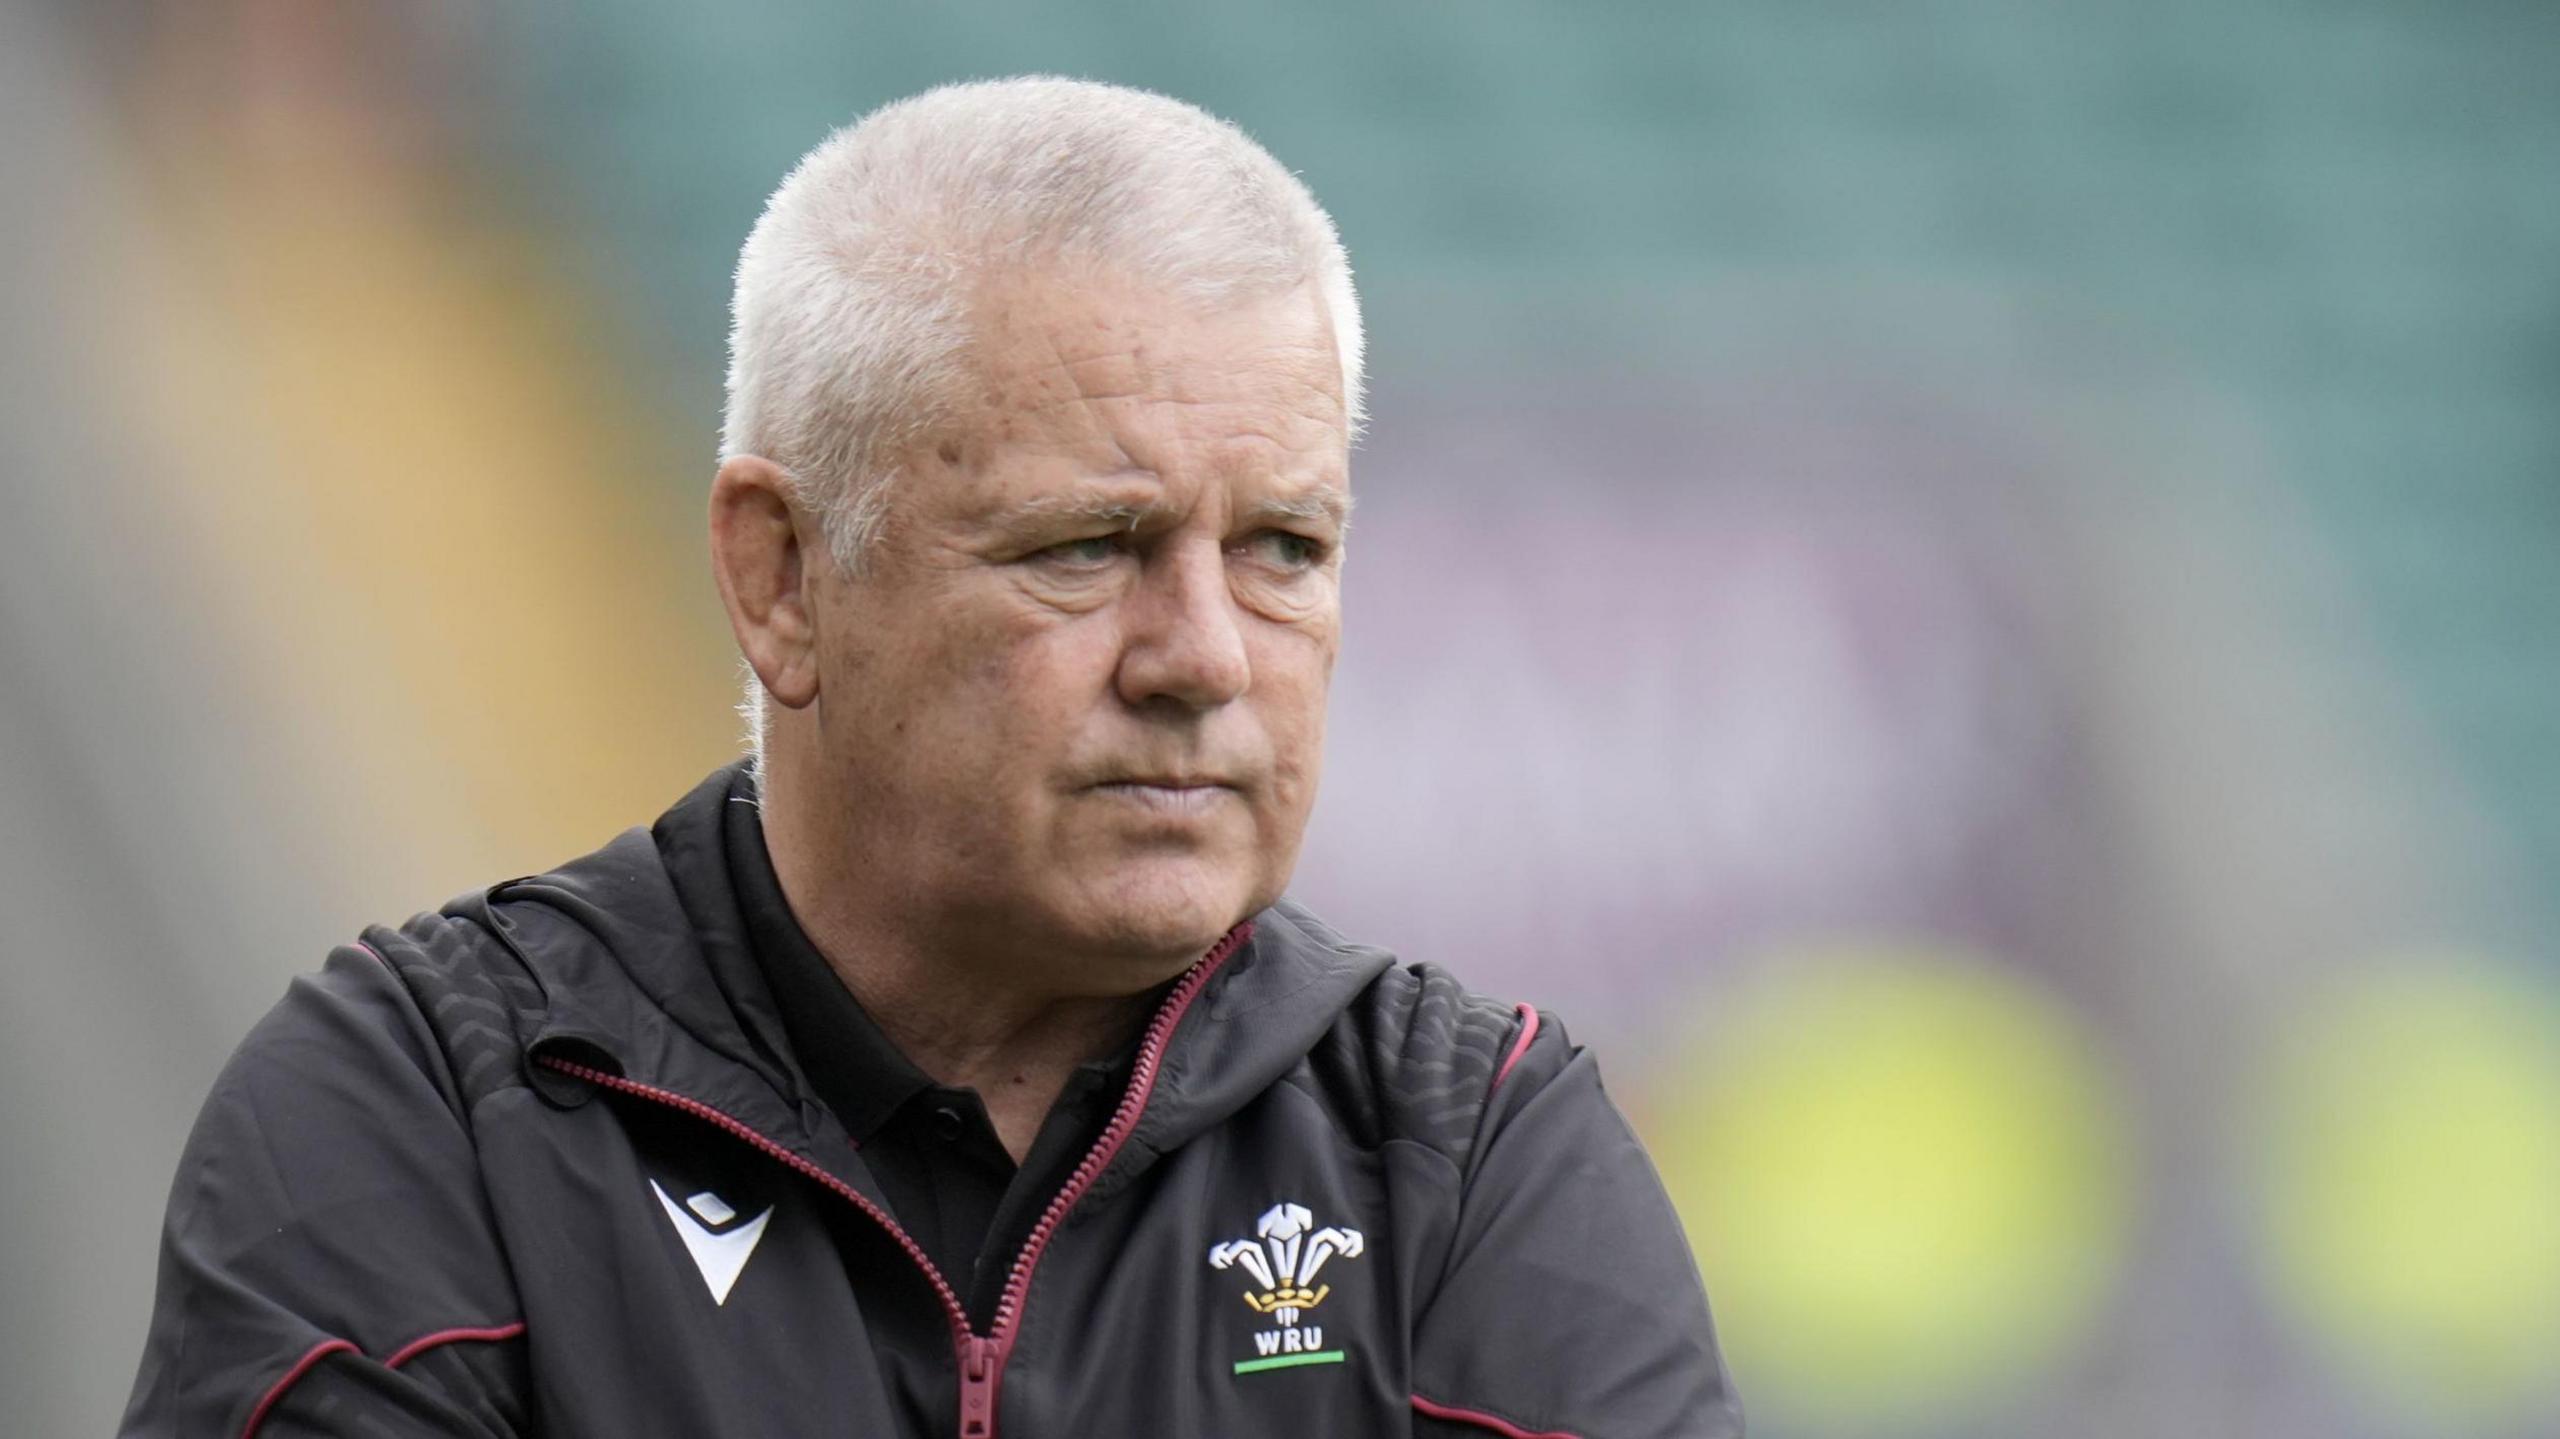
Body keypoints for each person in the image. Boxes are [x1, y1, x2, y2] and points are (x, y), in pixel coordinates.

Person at [120, 76, 1742, 1439]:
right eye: (1089, 546)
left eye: (1285, 548)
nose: (1206, 656)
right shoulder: (423, 1118)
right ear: (782, 577)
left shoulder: (1468, 1157)